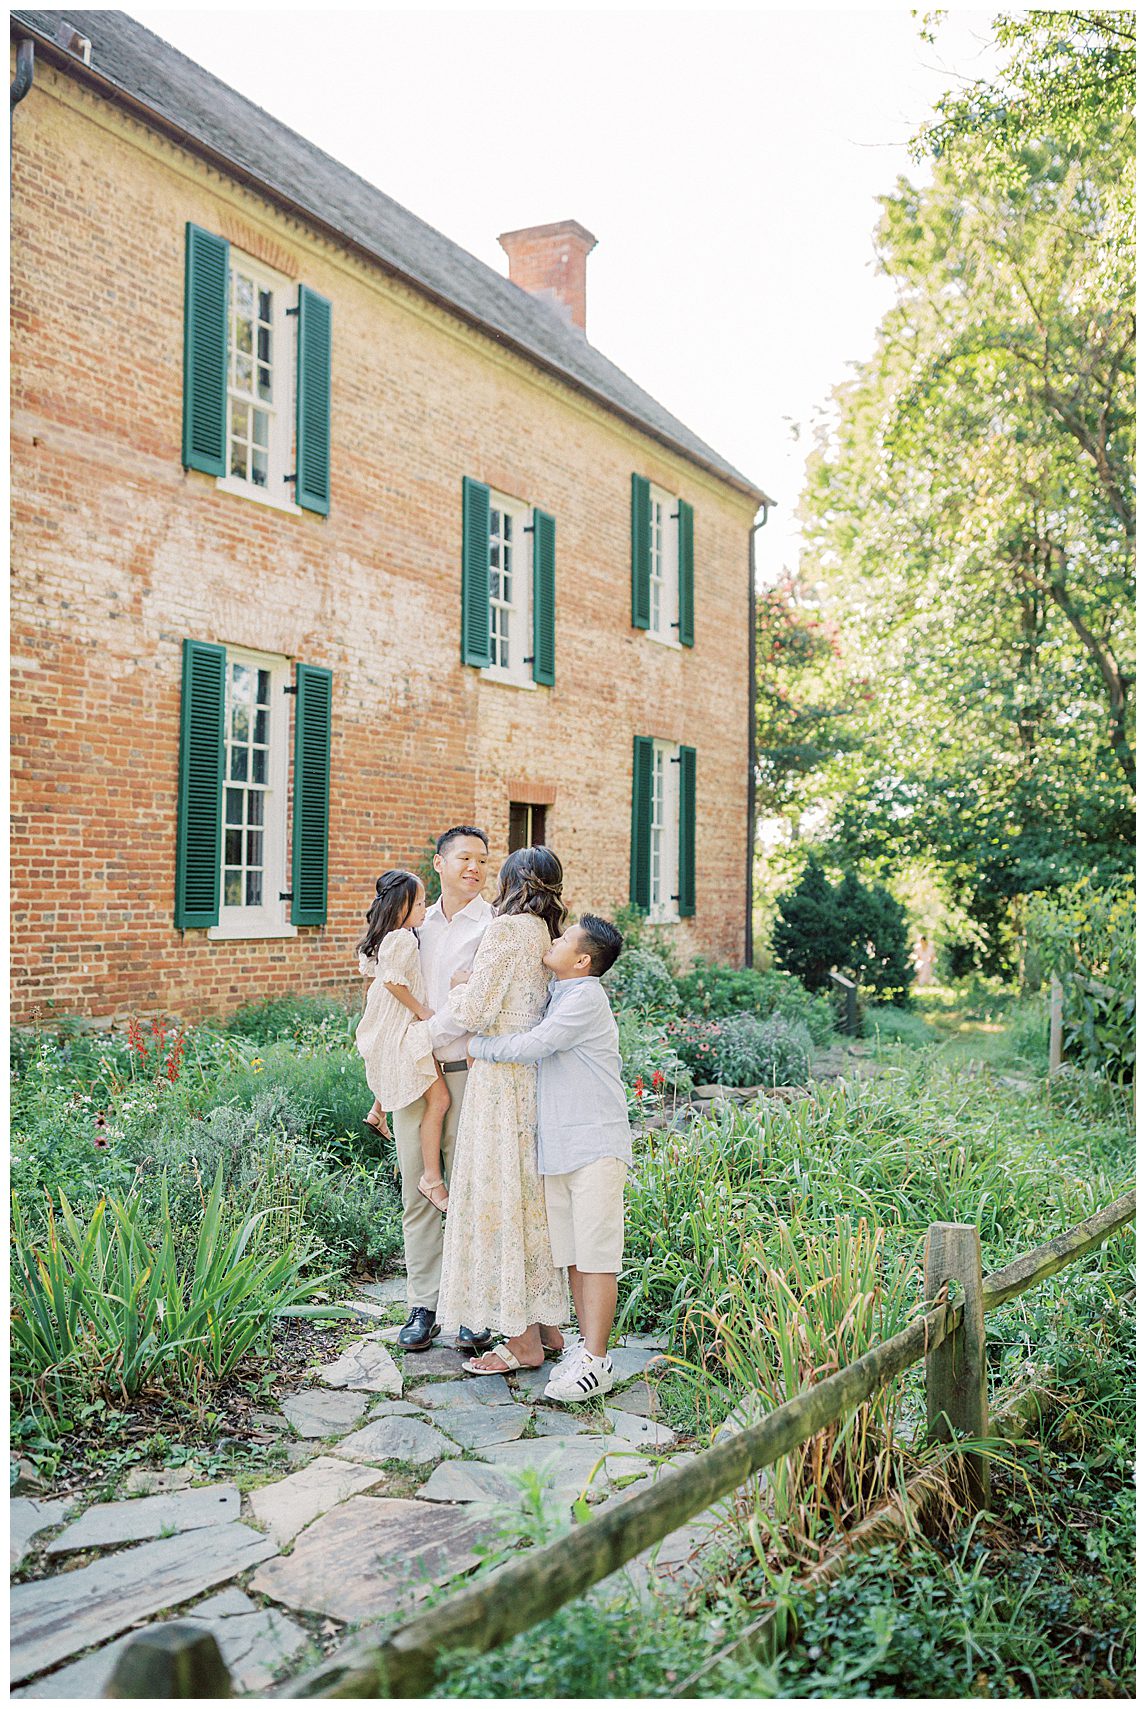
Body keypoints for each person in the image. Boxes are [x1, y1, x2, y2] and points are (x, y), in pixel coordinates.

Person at [418, 846, 569, 1375]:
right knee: (527, 1199)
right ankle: (548, 1327)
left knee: (499, 1197)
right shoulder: (545, 935)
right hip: (528, 1077)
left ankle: (522, 1341)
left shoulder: (507, 930)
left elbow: (480, 1007)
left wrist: (440, 1011)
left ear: (511, 879)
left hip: (498, 1079)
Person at [468, 913, 629, 1402]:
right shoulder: (562, 992)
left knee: (597, 1257)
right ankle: (586, 1350)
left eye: (563, 939)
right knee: (576, 1257)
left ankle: (598, 1362)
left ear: (582, 960)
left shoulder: (584, 998)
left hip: (594, 1145)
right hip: (560, 1148)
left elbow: (539, 1044)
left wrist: (478, 1045)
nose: (554, 940)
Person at [391, 826, 495, 1356]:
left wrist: (418, 1039)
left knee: (470, 1192)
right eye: (463, 858)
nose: (474, 867)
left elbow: (477, 1005)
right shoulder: (415, 926)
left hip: (469, 1073)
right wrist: (388, 1072)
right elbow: (391, 995)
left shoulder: (494, 928)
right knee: (419, 1191)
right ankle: (422, 1304)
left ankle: (473, 1313)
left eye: (482, 859)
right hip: (414, 1077)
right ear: (439, 863)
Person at [354, 871, 451, 1212]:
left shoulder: (388, 936)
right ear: (401, 907)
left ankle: (378, 1111)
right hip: (401, 1022)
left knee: (391, 1063)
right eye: (421, 902)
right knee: (439, 1099)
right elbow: (394, 982)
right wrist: (422, 1010)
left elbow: (374, 971)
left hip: (385, 1020)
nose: (425, 908)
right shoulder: (405, 938)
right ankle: (431, 1178)